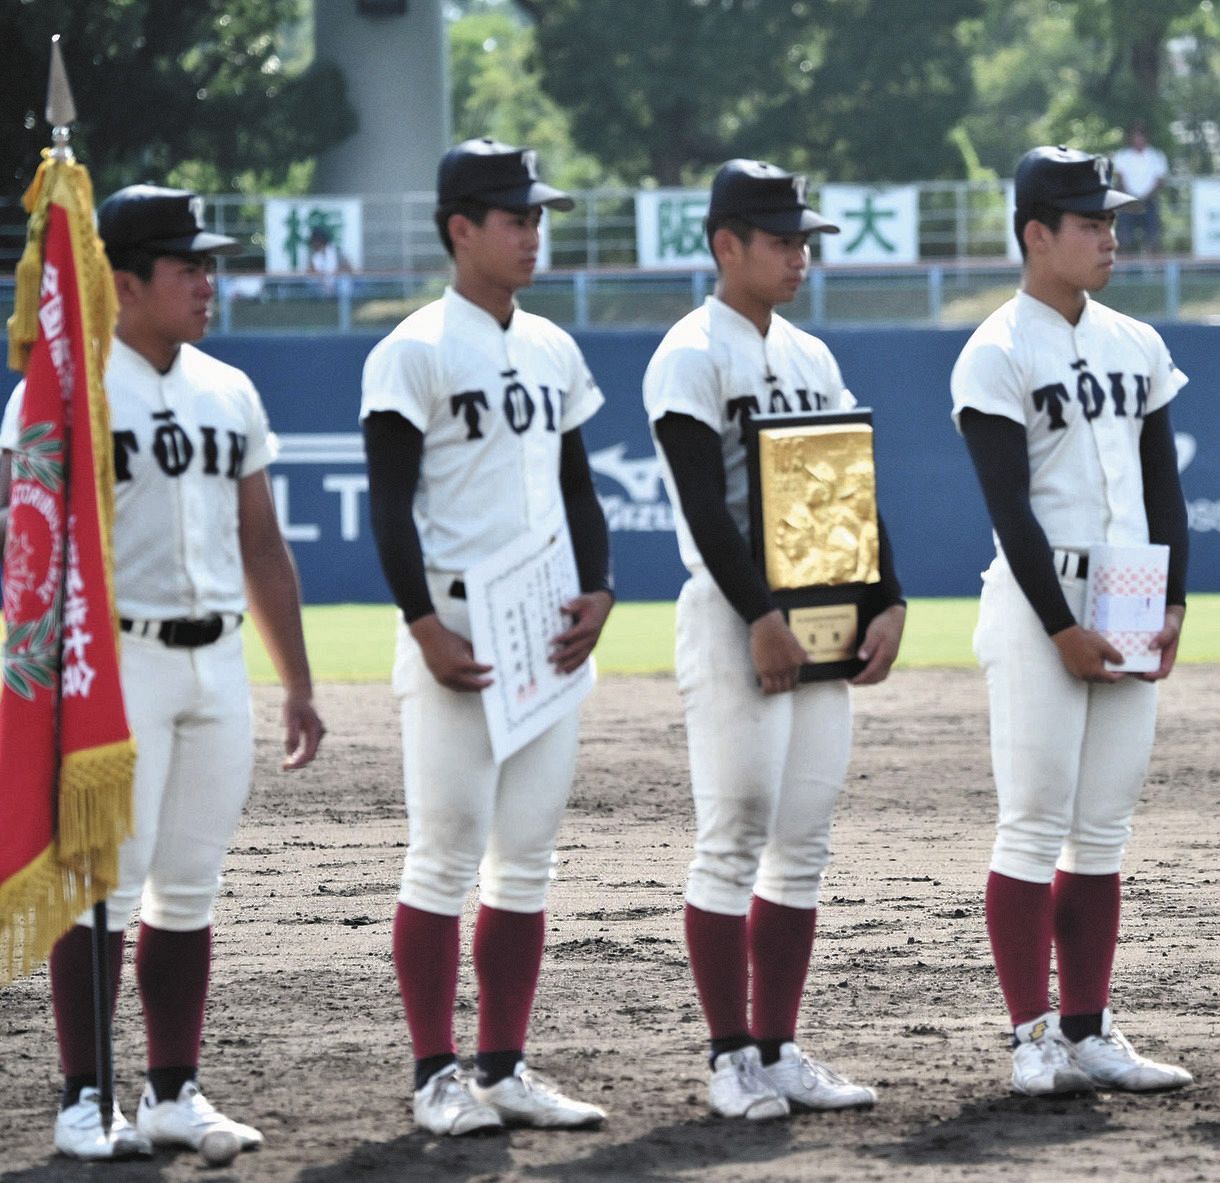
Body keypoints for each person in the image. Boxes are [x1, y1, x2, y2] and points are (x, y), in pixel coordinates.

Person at [0, 184, 326, 1160]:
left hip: (215, 663)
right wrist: (37, 681)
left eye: (210, 265)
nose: (208, 282)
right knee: (101, 884)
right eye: (188, 266)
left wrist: (298, 681)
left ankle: (172, 1092)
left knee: (189, 886)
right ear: (123, 281)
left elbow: (261, 542)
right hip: (114, 661)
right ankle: (82, 1098)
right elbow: (27, 544)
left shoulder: (228, 389)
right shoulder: (61, 391)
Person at [643, 159, 906, 1121]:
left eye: (805, 240)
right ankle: (729, 1059)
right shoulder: (688, 352)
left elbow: (848, 486)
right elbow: (703, 505)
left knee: (802, 840)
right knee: (735, 831)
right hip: (731, 614)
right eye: (783, 239)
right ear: (727, 245)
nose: (801, 255)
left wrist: (888, 596)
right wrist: (757, 617)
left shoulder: (809, 355)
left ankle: (780, 1045)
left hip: (821, 611)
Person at [359, 137, 613, 1137]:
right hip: (459, 627)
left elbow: (581, 486)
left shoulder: (551, 345)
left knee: (527, 861)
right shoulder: (411, 347)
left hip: (546, 626)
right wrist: (420, 623)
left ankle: (503, 1066)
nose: (531, 231)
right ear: (459, 227)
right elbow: (388, 507)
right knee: (442, 856)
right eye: (513, 216)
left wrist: (598, 589)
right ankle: (436, 1074)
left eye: (536, 214)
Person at [950, 146, 1193, 1097]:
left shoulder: (1136, 343)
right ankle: (1031, 1035)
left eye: (1112, 221)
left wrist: (1172, 603)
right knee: (1031, 823)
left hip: (1130, 595)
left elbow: (1166, 488)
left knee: (1102, 831)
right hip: (1036, 605)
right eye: (1090, 223)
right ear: (1035, 234)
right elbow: (1010, 510)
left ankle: (1089, 1028)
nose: (1109, 237)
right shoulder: (996, 349)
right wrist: (1059, 628)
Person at [1112, 122, 1169, 255]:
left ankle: (1155, 269)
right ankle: (1124, 271)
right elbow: (1120, 178)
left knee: (1154, 234)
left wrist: (1146, 196)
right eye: (1136, 137)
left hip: (1149, 200)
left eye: (1141, 137)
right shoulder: (1123, 155)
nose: (1138, 140)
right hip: (1128, 200)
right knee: (1123, 236)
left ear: (1146, 138)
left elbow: (1160, 179)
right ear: (1131, 138)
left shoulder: (1156, 156)